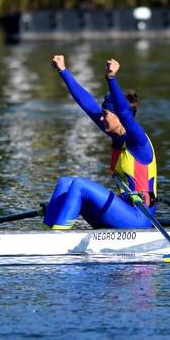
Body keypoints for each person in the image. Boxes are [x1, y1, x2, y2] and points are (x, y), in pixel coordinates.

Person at [41, 55, 157, 229]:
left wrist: (111, 79)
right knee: (66, 183)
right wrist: (63, 71)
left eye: (106, 114)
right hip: (122, 213)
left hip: (140, 216)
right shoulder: (117, 137)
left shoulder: (138, 141)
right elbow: (87, 104)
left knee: (80, 184)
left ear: (120, 116)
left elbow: (124, 112)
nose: (101, 117)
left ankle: (58, 239)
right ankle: (47, 233)